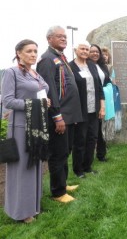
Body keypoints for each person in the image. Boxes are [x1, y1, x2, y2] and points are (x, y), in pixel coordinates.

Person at [1, 39, 50, 223]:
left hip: (35, 126)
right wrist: (37, 104)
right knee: (22, 168)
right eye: (29, 51)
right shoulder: (11, 72)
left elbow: (44, 90)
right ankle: (20, 211)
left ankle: (33, 206)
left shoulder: (34, 73)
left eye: (35, 51)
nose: (33, 54)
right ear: (18, 53)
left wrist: (44, 102)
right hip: (20, 127)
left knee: (34, 166)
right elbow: (8, 101)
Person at [37, 26, 82, 203]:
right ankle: (58, 192)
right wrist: (57, 116)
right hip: (59, 116)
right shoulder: (47, 60)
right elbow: (50, 91)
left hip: (69, 115)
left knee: (65, 151)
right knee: (57, 153)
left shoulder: (60, 57)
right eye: (59, 36)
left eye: (65, 36)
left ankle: (62, 183)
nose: (64, 39)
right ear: (49, 39)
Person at [69, 41, 105, 176]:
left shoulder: (92, 66)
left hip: (94, 110)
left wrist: (102, 107)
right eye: (82, 49)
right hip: (80, 110)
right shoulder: (70, 67)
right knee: (80, 140)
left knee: (92, 138)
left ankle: (87, 166)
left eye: (86, 49)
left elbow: (100, 88)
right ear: (75, 50)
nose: (84, 51)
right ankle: (78, 170)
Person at [89, 44, 114, 162]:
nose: (95, 54)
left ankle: (101, 154)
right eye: (92, 51)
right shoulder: (87, 66)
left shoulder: (102, 66)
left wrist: (108, 88)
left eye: (97, 52)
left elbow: (108, 80)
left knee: (101, 127)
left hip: (103, 99)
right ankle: (88, 156)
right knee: (94, 129)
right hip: (92, 100)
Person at [101, 46, 122, 132]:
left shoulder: (110, 68)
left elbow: (114, 82)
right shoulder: (96, 67)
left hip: (109, 94)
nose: (104, 56)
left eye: (106, 55)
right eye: (102, 54)